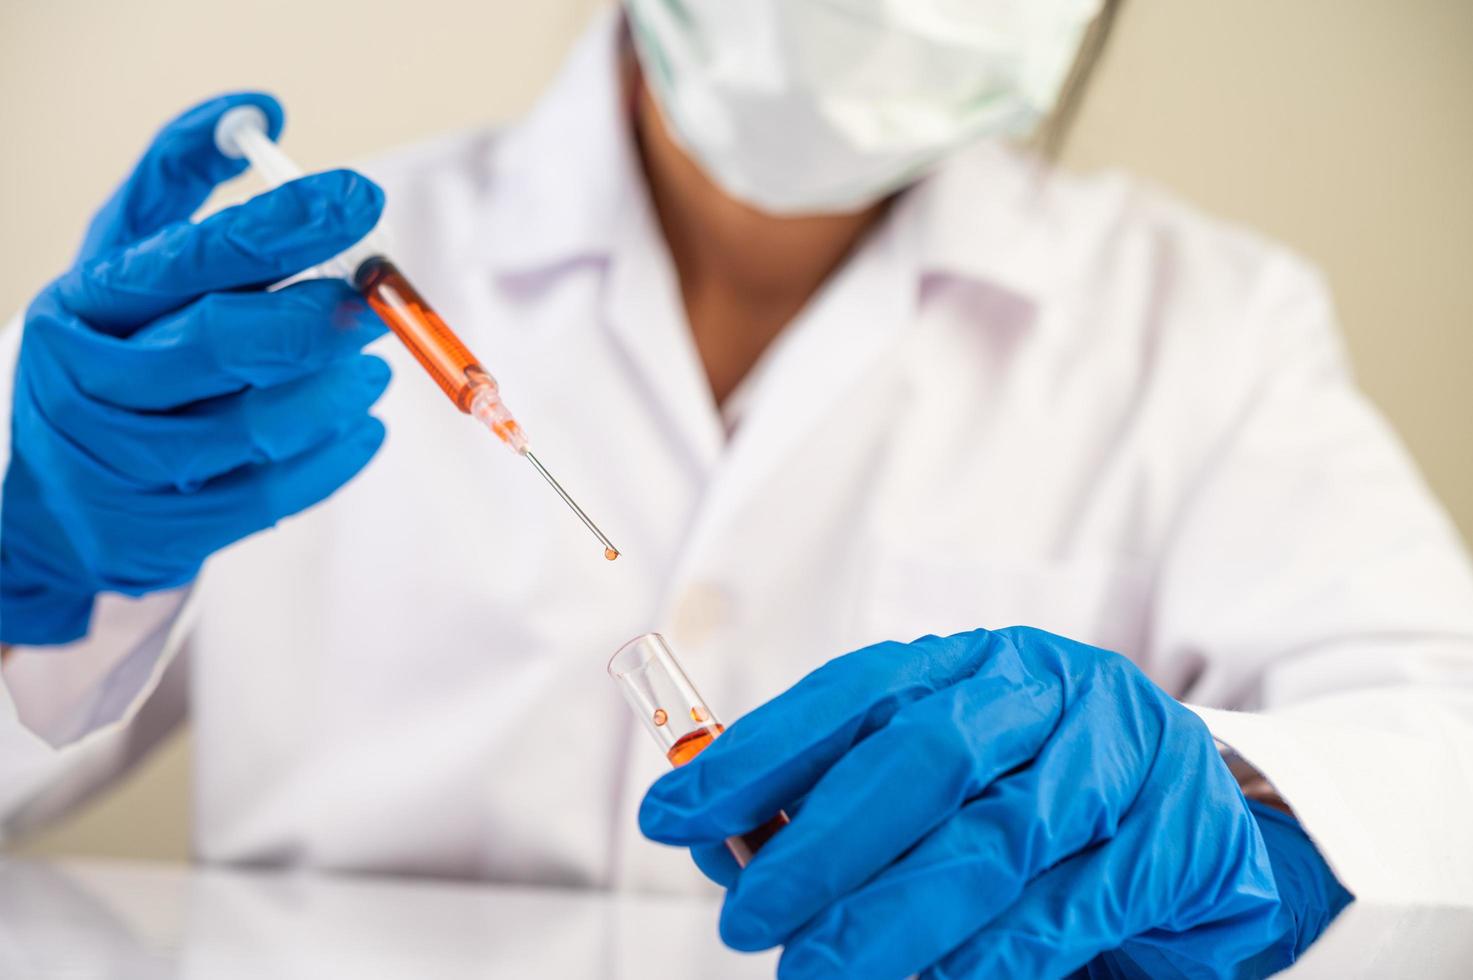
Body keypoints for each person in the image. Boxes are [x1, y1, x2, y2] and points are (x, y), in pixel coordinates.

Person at [2, 1, 1470, 976]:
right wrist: (33, 553)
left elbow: (1444, 770)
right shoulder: (278, 294)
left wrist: (1250, 818)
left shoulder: (1201, 322)